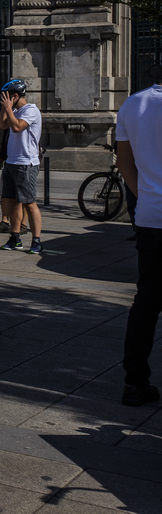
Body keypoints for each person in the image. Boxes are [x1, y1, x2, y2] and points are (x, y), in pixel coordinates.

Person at [117, 77, 162, 407]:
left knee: (147, 300)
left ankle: (135, 382)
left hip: (151, 217)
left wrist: (145, 196)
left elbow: (124, 162)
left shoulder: (133, 103)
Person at [0, 79, 43, 254]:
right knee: (13, 201)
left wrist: (9, 108)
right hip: (12, 162)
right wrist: (6, 107)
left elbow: (17, 127)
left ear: (15, 96)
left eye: (7, 98)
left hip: (26, 163)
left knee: (29, 203)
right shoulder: (15, 110)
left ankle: (37, 240)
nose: (4, 100)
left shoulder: (31, 110)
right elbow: (3, 125)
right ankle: (15, 237)